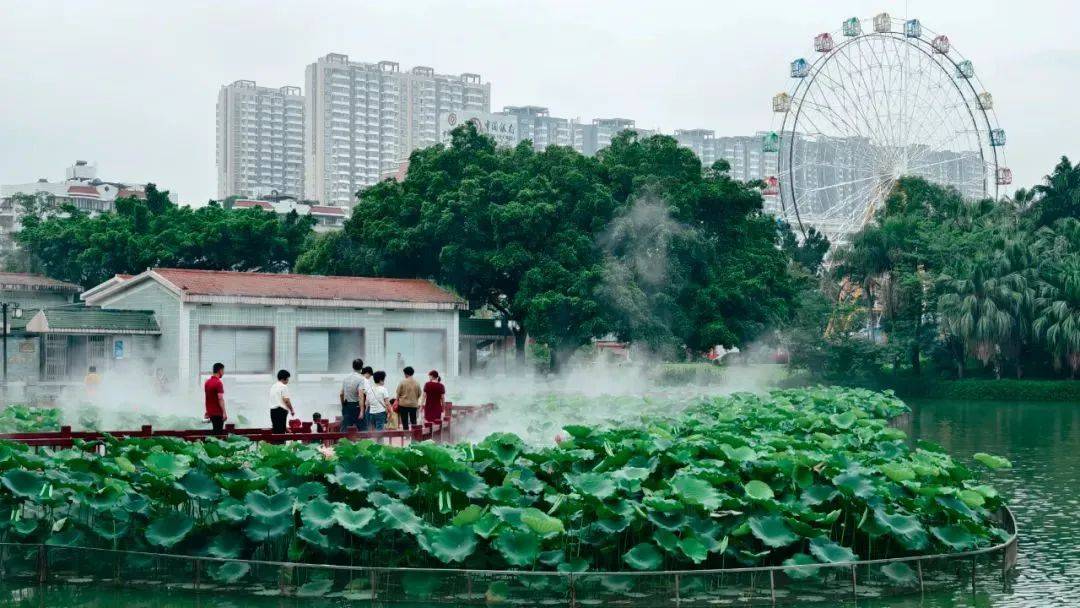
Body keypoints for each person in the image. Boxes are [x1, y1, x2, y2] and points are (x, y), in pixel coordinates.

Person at [339, 358, 365, 432]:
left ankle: (343, 443)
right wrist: (362, 411)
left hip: (347, 406)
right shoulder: (361, 379)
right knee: (363, 430)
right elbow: (360, 396)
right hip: (356, 407)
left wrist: (343, 406)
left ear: (353, 367)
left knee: (345, 429)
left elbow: (341, 394)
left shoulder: (345, 378)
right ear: (362, 367)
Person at [269, 369, 295, 434]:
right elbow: (286, 401)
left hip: (273, 411)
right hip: (281, 411)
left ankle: (276, 444)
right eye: (288, 379)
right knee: (281, 432)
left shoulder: (273, 386)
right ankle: (281, 443)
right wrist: (291, 410)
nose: (288, 381)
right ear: (284, 378)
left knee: (276, 431)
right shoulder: (283, 386)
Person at [204, 362, 227, 434]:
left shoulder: (207, 382)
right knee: (218, 434)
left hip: (211, 413)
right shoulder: (218, 383)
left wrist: (207, 411)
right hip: (218, 413)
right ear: (220, 371)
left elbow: (208, 398)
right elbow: (220, 399)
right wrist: (224, 413)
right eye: (223, 371)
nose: (223, 373)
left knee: (215, 432)